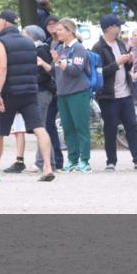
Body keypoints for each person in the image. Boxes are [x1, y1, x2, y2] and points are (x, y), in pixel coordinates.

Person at [0, 9, 55, 182]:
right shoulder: (28, 42)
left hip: (10, 93)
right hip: (29, 92)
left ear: (4, 22)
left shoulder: (1, 42)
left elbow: (2, 68)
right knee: (39, 128)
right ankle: (48, 168)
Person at [91, 15, 137, 172]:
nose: (120, 28)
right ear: (110, 28)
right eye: (118, 25)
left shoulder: (121, 44)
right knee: (110, 128)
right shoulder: (98, 47)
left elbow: (126, 67)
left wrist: (129, 62)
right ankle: (111, 161)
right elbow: (99, 71)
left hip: (125, 93)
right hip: (109, 95)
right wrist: (117, 63)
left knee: (132, 126)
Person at [53, 18, 92, 172]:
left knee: (80, 127)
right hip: (62, 93)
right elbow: (55, 71)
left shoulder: (78, 49)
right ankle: (72, 159)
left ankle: (85, 161)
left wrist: (59, 62)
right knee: (68, 128)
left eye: (60, 29)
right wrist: (45, 64)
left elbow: (75, 70)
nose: (57, 32)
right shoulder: (60, 48)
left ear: (70, 31)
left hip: (77, 93)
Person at [24, 24, 63, 172]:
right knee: (41, 127)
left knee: (41, 127)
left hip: (42, 92)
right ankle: (48, 161)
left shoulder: (40, 50)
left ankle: (43, 162)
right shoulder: (35, 49)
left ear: (32, 37)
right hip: (40, 91)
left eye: (24, 34)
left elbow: (46, 72)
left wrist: (32, 80)